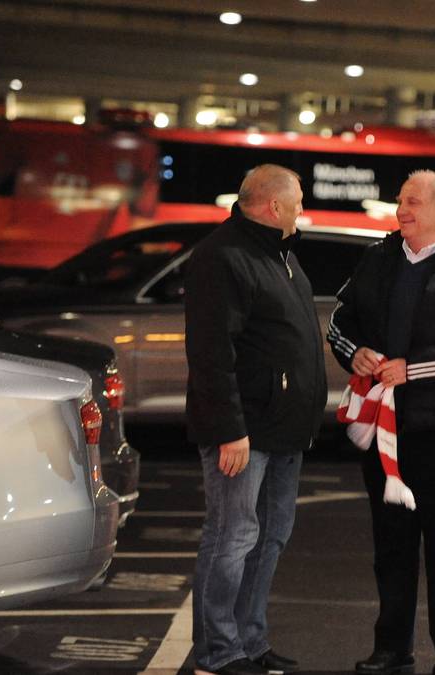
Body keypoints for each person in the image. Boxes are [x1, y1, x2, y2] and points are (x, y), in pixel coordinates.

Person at [328, 170, 435, 675]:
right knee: (391, 545)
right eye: (400, 201)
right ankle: (392, 649)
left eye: (412, 202)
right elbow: (340, 321)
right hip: (382, 425)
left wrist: (414, 370)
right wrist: (355, 352)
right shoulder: (377, 258)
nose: (401, 210)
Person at [185, 164, 327, 675]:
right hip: (245, 431)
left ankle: (249, 641)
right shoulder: (223, 257)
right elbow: (210, 353)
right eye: (298, 201)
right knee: (232, 537)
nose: (302, 210)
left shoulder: (280, 254)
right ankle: (218, 651)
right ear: (274, 206)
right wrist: (230, 430)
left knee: (269, 537)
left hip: (283, 428)